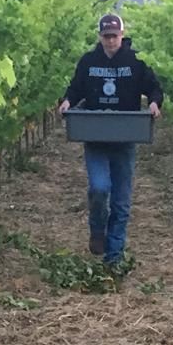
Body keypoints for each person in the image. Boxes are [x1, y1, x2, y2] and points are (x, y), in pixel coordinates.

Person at [58, 13, 163, 265]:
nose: (111, 40)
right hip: (95, 136)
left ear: (122, 35)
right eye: (106, 36)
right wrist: (67, 101)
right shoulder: (88, 62)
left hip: (125, 136)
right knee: (99, 188)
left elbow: (154, 87)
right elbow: (76, 88)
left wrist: (154, 103)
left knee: (121, 201)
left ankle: (113, 258)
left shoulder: (136, 61)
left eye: (114, 36)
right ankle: (97, 230)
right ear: (100, 37)